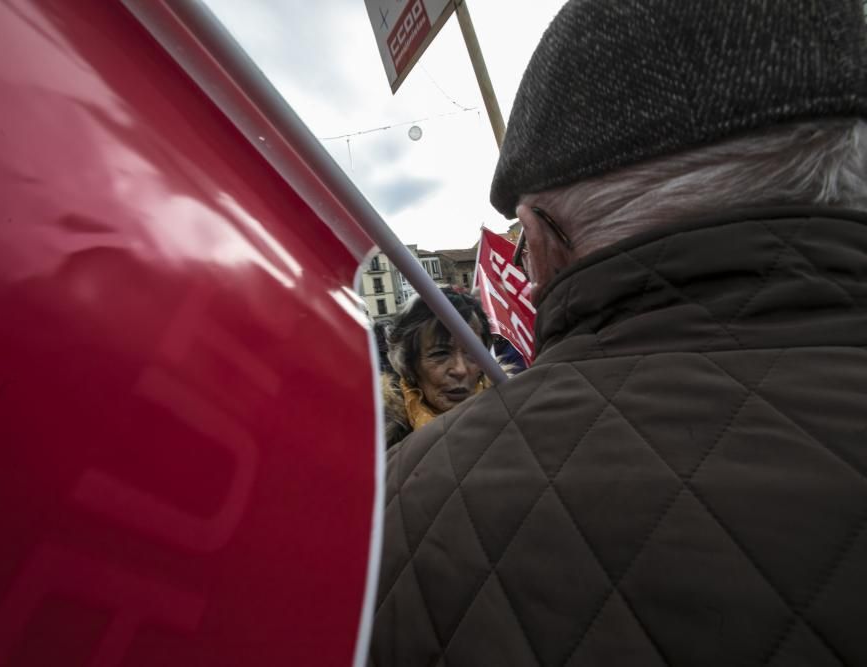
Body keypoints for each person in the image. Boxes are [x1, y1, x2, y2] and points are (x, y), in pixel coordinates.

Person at [371, 1, 867, 665]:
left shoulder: (394, 521)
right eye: (441, 355)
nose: (463, 368)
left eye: (470, 349)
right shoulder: (389, 469)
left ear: (543, 242)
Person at [382, 287, 493, 448]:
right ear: (409, 365)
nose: (460, 369)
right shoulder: (378, 441)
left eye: (472, 352)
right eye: (440, 354)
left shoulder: (512, 415)